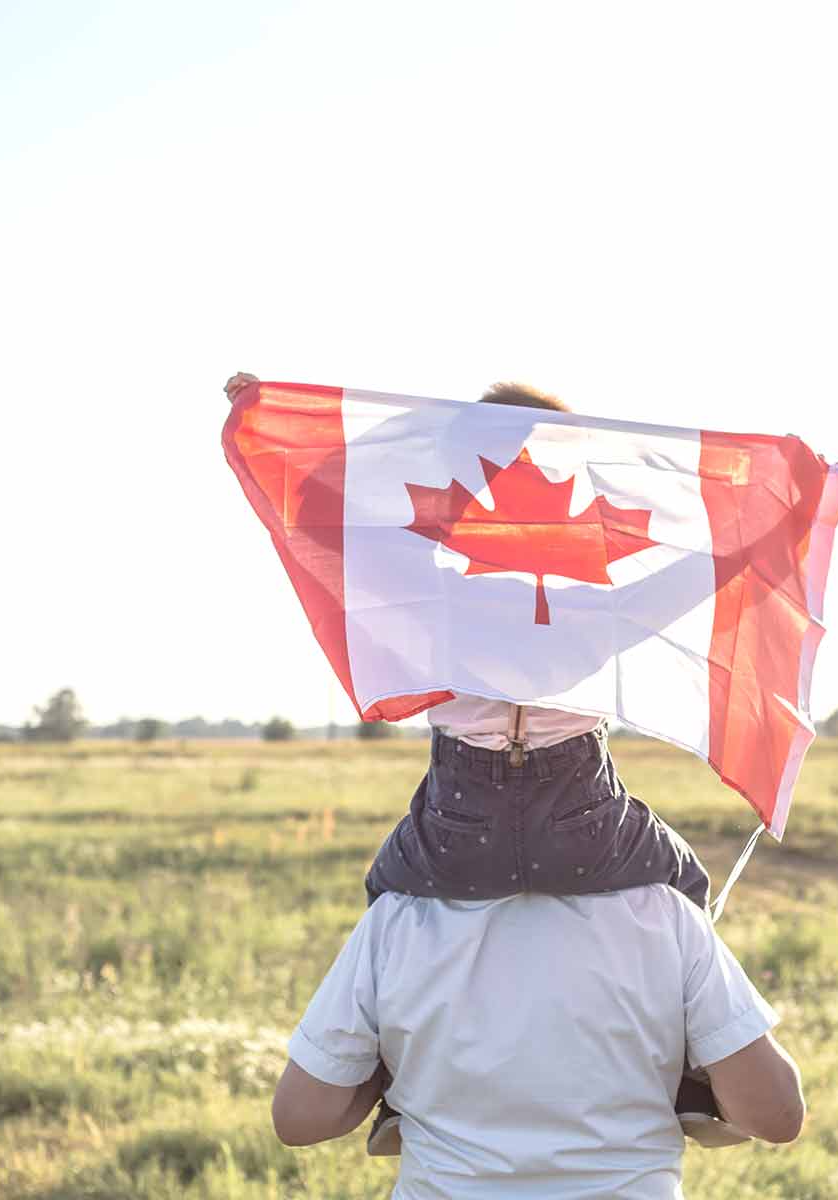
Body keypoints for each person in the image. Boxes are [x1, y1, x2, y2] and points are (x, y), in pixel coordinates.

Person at [224, 372, 729, 1145]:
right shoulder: (598, 602)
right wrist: (784, 514)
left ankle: (390, 1089)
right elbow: (701, 574)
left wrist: (262, 416)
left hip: (460, 833)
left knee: (386, 889)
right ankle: (696, 1080)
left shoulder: (432, 596)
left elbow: (320, 518)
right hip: (587, 828)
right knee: (684, 881)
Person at [272, 883, 804, 1197]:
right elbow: (778, 1116)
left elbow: (300, 1117)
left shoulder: (398, 918)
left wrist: (383, 1072)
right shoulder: (665, 913)